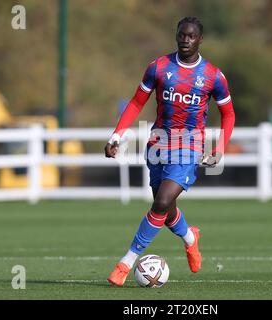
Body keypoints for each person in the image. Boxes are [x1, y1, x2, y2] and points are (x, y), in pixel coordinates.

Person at [105, 16, 235, 286]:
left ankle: (125, 263)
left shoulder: (212, 76)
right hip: (159, 142)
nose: (185, 40)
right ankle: (190, 238)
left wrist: (219, 149)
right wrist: (117, 135)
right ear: (176, 36)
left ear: (200, 40)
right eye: (181, 35)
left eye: (191, 36)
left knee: (161, 202)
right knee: (166, 211)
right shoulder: (159, 67)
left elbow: (229, 115)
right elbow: (135, 103)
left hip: (189, 145)